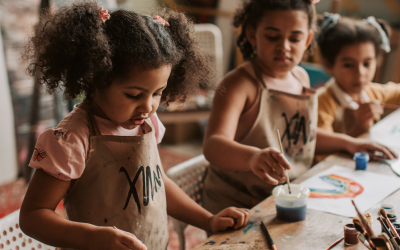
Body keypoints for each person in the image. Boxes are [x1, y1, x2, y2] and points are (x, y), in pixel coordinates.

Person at [19, 3, 249, 250]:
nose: (148, 107)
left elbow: (155, 184)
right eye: (133, 95)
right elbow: (33, 216)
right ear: (95, 79)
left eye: (157, 93)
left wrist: (209, 220)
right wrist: (92, 237)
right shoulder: (71, 140)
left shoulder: (147, 123)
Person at [202, 0, 397, 215]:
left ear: (307, 40)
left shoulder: (300, 77)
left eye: (295, 38)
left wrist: (349, 143)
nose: (284, 46)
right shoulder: (239, 85)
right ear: (252, 35)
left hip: (285, 196)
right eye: (272, 36)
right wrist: (252, 158)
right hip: (238, 205)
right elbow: (213, 145)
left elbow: (302, 136)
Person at [316, 13, 400, 137]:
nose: (360, 73)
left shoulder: (372, 92)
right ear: (329, 65)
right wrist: (360, 127)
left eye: (367, 64)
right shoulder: (322, 103)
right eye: (348, 65)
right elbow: (323, 153)